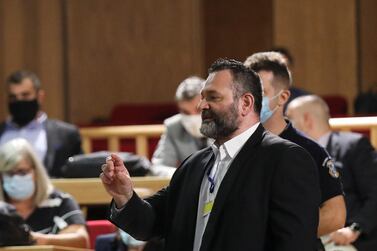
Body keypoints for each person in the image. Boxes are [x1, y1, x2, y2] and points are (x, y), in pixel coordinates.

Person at [100, 59, 321, 251]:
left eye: (213, 97)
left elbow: (295, 245)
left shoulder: (285, 159)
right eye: (203, 97)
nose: (201, 105)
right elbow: (150, 223)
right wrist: (124, 196)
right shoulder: (194, 164)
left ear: (245, 103)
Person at [244, 52, 346, 248]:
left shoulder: (309, 150)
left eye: (261, 92)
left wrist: (277, 234)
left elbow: (335, 215)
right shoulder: (234, 146)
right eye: (245, 93)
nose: (250, 100)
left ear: (282, 97)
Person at [286, 95, 377, 251]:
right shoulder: (292, 154)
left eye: (289, 119)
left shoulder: (353, 145)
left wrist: (354, 229)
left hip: (349, 239)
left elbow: (374, 194)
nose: (286, 125)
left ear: (307, 119)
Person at [0, 138, 89, 248]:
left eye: (22, 172)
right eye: (9, 173)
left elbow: (81, 241)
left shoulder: (60, 202)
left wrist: (30, 239)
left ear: (35, 172)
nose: (15, 178)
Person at [0, 70, 83, 177]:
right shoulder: (2, 132)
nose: (19, 101)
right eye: (13, 97)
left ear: (40, 97)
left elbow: (80, 172)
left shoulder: (66, 134)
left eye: (25, 95)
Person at [151, 76, 208, 177]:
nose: (192, 117)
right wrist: (182, 176)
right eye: (185, 112)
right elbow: (158, 167)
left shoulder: (225, 122)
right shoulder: (174, 126)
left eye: (198, 110)